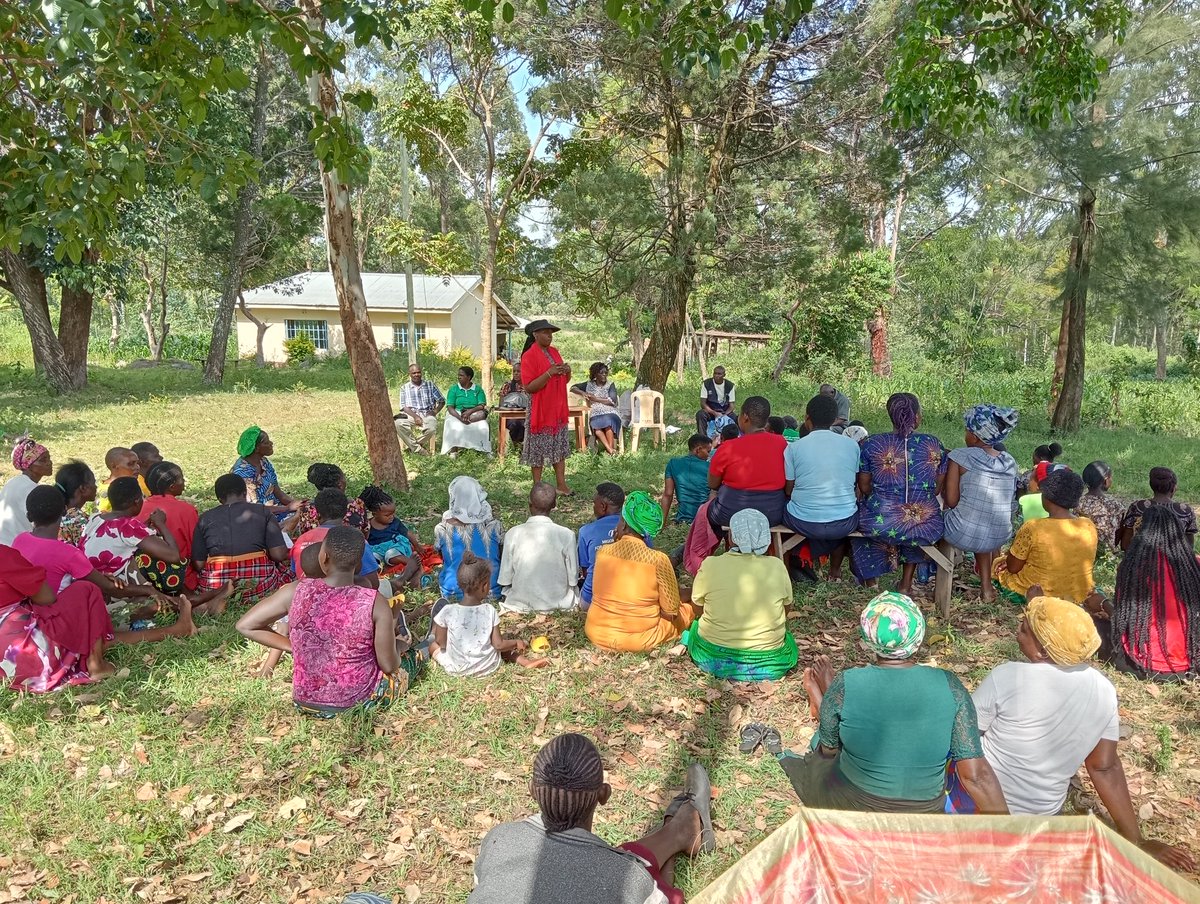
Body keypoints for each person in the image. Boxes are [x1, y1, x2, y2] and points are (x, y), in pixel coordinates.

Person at [969, 592, 1193, 870]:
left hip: (979, 806)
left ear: (1042, 651)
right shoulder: (1104, 690)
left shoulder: (1006, 676)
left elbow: (966, 744)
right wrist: (1136, 840)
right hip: (1044, 818)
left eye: (1024, 628)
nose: (1017, 630)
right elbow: (1104, 768)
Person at [772, 592, 1008, 814]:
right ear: (918, 636)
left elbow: (829, 749)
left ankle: (824, 703)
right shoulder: (950, 685)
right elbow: (975, 776)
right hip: (925, 814)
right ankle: (825, 703)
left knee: (821, 750)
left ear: (868, 637)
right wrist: (1014, 832)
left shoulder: (847, 682)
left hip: (854, 804)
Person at [468, 733, 715, 904]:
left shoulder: (498, 839)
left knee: (614, 868)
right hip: (623, 877)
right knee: (630, 874)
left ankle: (681, 832)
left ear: (531, 790)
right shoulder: (623, 877)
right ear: (604, 795)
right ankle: (684, 831)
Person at [236, 527, 420, 716]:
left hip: (305, 702)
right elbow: (388, 665)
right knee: (414, 656)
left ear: (323, 558)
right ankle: (430, 645)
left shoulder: (295, 590)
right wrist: (398, 646)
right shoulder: (374, 601)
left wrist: (294, 646)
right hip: (359, 703)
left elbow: (246, 625)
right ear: (358, 565)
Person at [0, 542, 195, 692]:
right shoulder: (4, 554)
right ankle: (97, 665)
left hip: (4, 669)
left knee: (95, 637)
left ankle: (177, 630)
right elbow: (47, 597)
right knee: (85, 590)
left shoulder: (22, 539)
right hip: (24, 658)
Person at [850, 393, 947, 593]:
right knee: (915, 517)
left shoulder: (871, 444)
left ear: (891, 416)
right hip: (926, 524)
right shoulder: (934, 444)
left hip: (880, 522)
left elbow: (865, 487)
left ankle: (872, 582)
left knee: (862, 520)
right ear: (917, 417)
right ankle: (905, 584)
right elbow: (937, 488)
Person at [683, 510, 797, 681]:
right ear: (766, 537)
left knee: (694, 628)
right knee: (787, 639)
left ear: (731, 537)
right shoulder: (777, 566)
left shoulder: (711, 564)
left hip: (712, 658)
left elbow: (697, 608)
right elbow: (785, 609)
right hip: (771, 663)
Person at [585, 492, 698, 653]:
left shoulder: (603, 552)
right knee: (688, 609)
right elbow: (671, 612)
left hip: (596, 632)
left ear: (623, 524)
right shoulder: (658, 560)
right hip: (638, 640)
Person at [1105, 506, 1200, 680]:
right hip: (1190, 665)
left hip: (1143, 665)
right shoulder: (1194, 567)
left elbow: (1122, 621)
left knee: (1101, 628)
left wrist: (1103, 603)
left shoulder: (1131, 568)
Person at [942, 404, 1020, 602]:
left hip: (962, 532)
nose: (965, 434)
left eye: (967, 431)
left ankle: (932, 566)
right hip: (999, 535)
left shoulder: (959, 456)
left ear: (975, 436)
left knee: (949, 516)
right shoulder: (1009, 461)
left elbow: (951, 501)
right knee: (980, 517)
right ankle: (986, 588)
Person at [782, 394, 861, 579]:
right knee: (843, 513)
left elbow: (788, 489)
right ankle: (835, 571)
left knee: (782, 508)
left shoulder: (794, 448)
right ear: (835, 419)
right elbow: (854, 482)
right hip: (845, 522)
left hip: (802, 521)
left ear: (806, 418)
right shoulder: (852, 446)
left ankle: (788, 568)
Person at [993, 469, 1098, 605]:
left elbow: (1013, 568)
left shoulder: (1033, 527)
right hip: (1079, 593)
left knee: (997, 566)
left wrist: (1005, 559)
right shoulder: (1088, 525)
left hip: (1036, 592)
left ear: (1046, 496)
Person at [431, 551, 545, 675]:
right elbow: (498, 645)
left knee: (432, 646)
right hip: (487, 667)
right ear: (484, 586)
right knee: (502, 645)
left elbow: (441, 643)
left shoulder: (447, 611)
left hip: (457, 669)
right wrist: (516, 642)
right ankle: (526, 662)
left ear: (459, 585)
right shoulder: (489, 610)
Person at [80, 477, 185, 609]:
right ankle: (176, 599)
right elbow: (173, 556)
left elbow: (118, 536)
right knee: (148, 557)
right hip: (112, 590)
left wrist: (142, 529)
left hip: (88, 586)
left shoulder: (95, 518)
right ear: (137, 502)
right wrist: (161, 524)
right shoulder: (129, 526)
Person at [193, 474, 290, 603]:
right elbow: (279, 555)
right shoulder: (263, 511)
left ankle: (224, 597)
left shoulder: (205, 518)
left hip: (215, 587)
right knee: (287, 575)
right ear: (245, 493)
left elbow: (198, 564)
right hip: (259, 584)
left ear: (219, 499)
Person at [707, 396, 788, 529]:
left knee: (707, 507)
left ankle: (701, 548)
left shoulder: (728, 447)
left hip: (731, 513)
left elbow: (713, 483)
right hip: (772, 514)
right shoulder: (781, 443)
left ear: (745, 417)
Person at [498, 482, 579, 613]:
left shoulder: (513, 533)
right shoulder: (567, 535)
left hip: (520, 601)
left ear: (529, 502)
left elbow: (505, 578)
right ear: (554, 505)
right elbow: (573, 579)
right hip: (559, 601)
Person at [520, 319, 573, 494]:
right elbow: (529, 387)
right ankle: (538, 487)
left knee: (559, 448)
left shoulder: (555, 352)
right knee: (538, 450)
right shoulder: (529, 356)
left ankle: (561, 485)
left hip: (557, 408)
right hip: (541, 410)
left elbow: (564, 380)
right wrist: (549, 373)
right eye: (545, 332)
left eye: (550, 332)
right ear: (535, 335)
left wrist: (567, 371)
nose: (549, 335)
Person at [291, 489, 381, 588]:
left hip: (307, 595)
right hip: (349, 598)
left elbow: (296, 575)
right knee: (386, 586)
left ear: (317, 514)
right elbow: (374, 584)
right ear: (345, 513)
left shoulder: (301, 540)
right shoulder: (354, 539)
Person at [433, 476, 504, 600]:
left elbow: (443, 557)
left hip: (452, 593)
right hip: (491, 590)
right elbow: (501, 555)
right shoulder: (494, 526)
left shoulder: (442, 529)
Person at [231, 426, 301, 528]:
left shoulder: (263, 462)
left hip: (276, 511)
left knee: (308, 514)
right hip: (258, 519)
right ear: (257, 448)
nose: (271, 444)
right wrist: (287, 508)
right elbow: (255, 509)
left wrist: (299, 505)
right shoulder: (243, 473)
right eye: (267, 442)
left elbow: (279, 494)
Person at [359, 485, 424, 589]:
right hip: (378, 549)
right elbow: (365, 540)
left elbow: (407, 533)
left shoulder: (395, 522)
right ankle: (378, 569)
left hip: (395, 546)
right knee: (373, 556)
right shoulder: (369, 525)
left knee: (391, 554)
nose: (391, 517)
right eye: (387, 515)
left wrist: (417, 545)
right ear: (375, 514)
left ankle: (410, 563)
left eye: (393, 513)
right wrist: (365, 531)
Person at [1118, 467, 1197, 552]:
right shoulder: (1185, 510)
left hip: (1141, 561)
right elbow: (1189, 547)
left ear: (1151, 485)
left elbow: (1125, 545)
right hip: (1174, 562)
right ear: (1174, 488)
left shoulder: (1137, 507)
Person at [578, 483, 626, 610]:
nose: (593, 507)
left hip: (592, 601)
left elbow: (586, 571)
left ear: (603, 506)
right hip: (629, 597)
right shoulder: (638, 529)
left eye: (594, 503)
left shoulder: (586, 531)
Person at [0, 435, 52, 545]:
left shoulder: (13, 482)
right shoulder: (31, 489)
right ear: (29, 465)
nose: (49, 463)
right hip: (16, 547)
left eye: (49, 458)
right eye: (43, 460)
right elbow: (41, 526)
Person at [292, 463, 369, 537]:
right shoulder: (356, 505)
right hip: (352, 548)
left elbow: (303, 533)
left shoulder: (307, 508)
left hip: (316, 549)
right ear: (340, 484)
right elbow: (365, 533)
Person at [571, 362, 621, 455]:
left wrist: (595, 399)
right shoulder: (588, 384)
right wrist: (583, 393)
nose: (604, 375)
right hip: (596, 411)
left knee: (609, 423)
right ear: (595, 374)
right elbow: (573, 388)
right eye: (601, 373)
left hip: (610, 410)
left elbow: (612, 401)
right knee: (596, 426)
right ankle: (610, 450)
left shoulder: (610, 385)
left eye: (606, 372)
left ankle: (609, 451)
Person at [395, 361, 445, 454]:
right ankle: (419, 450)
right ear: (409, 374)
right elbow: (404, 406)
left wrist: (435, 411)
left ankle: (413, 446)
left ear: (421, 373)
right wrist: (415, 417)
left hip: (427, 413)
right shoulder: (404, 388)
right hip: (411, 414)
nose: (417, 375)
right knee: (398, 423)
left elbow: (442, 401)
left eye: (418, 372)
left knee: (431, 428)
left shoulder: (430, 385)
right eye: (414, 373)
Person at [660, 435, 711, 525]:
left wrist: (662, 523)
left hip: (682, 520)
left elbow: (668, 494)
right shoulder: (710, 467)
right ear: (698, 450)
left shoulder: (673, 464)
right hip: (704, 520)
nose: (709, 455)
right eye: (708, 451)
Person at [1076, 461, 1123, 556]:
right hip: (1107, 554)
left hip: (1082, 550)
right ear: (1106, 480)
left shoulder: (1077, 503)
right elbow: (1119, 533)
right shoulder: (1115, 505)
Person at [442, 365, 492, 456]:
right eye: (458, 375)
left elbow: (481, 405)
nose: (459, 377)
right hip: (457, 412)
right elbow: (450, 407)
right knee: (453, 425)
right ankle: (453, 450)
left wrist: (470, 412)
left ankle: (484, 449)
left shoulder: (477, 389)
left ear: (469, 377)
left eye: (461, 375)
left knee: (483, 426)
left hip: (474, 412)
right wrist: (460, 418)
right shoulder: (454, 389)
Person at [54, 459, 96, 546]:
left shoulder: (56, 512)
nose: (96, 486)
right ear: (83, 488)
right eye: (93, 483)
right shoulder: (77, 519)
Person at [96, 446, 142, 512]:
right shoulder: (107, 492)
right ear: (114, 466)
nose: (137, 467)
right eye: (130, 464)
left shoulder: (131, 483)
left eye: (137, 463)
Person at [696, 365, 735, 438]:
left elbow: (732, 406)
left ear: (724, 375)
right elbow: (703, 403)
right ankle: (702, 438)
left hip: (724, 411)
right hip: (711, 411)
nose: (716, 376)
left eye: (719, 374)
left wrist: (724, 415)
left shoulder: (730, 385)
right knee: (700, 414)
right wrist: (714, 413)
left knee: (735, 418)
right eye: (715, 373)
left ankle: (732, 439)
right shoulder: (706, 384)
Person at [498, 364, 528, 446]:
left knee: (526, 423)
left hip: (526, 415)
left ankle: (523, 446)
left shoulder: (529, 386)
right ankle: (518, 445)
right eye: (514, 371)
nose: (516, 373)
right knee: (515, 423)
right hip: (510, 416)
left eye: (518, 371)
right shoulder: (508, 385)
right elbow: (501, 405)